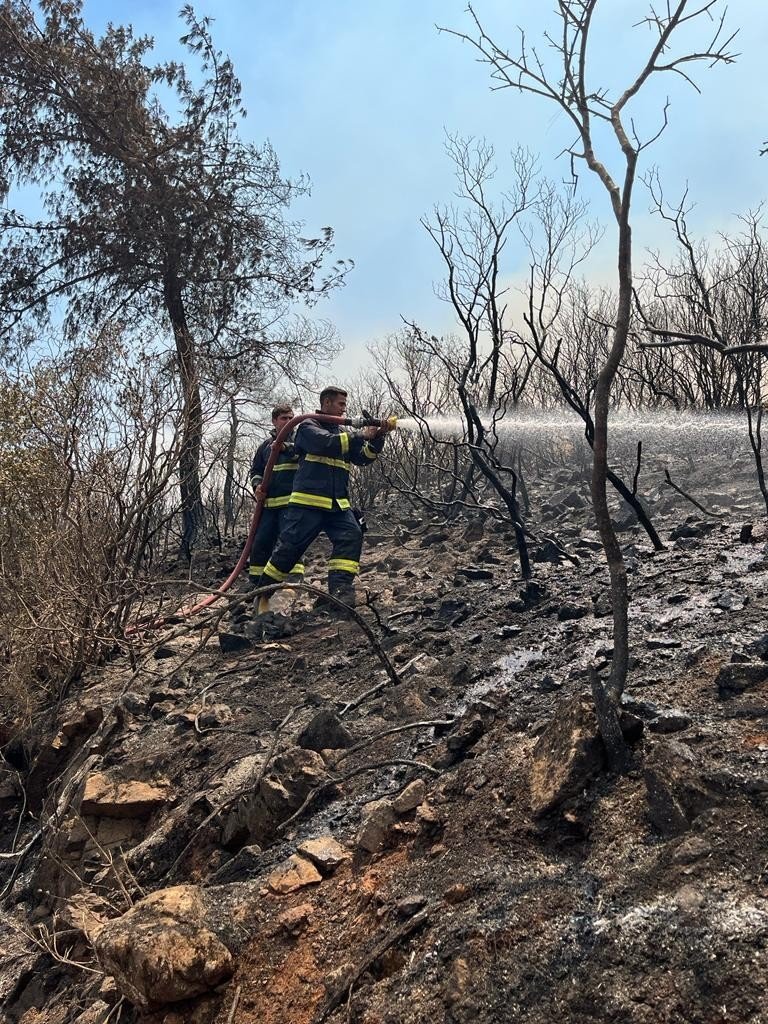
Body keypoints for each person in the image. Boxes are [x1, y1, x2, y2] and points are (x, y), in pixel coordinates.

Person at [256, 386, 394, 609]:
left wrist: (378, 437)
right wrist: (360, 434)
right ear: (326, 403)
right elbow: (325, 444)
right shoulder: (308, 427)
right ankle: (263, 595)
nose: (344, 409)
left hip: (337, 506)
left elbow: (363, 458)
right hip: (307, 504)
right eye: (340, 404)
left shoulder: (343, 434)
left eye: (344, 405)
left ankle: (341, 597)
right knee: (288, 550)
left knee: (351, 536)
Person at [249, 403, 304, 614]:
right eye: (284, 418)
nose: (289, 421)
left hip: (291, 507)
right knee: (260, 545)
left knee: (289, 544)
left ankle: (292, 584)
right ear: (274, 421)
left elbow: (300, 456)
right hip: (269, 508)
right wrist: (257, 486)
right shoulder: (264, 447)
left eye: (291, 418)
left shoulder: (300, 442)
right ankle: (258, 588)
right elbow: (255, 471)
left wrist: (284, 448)